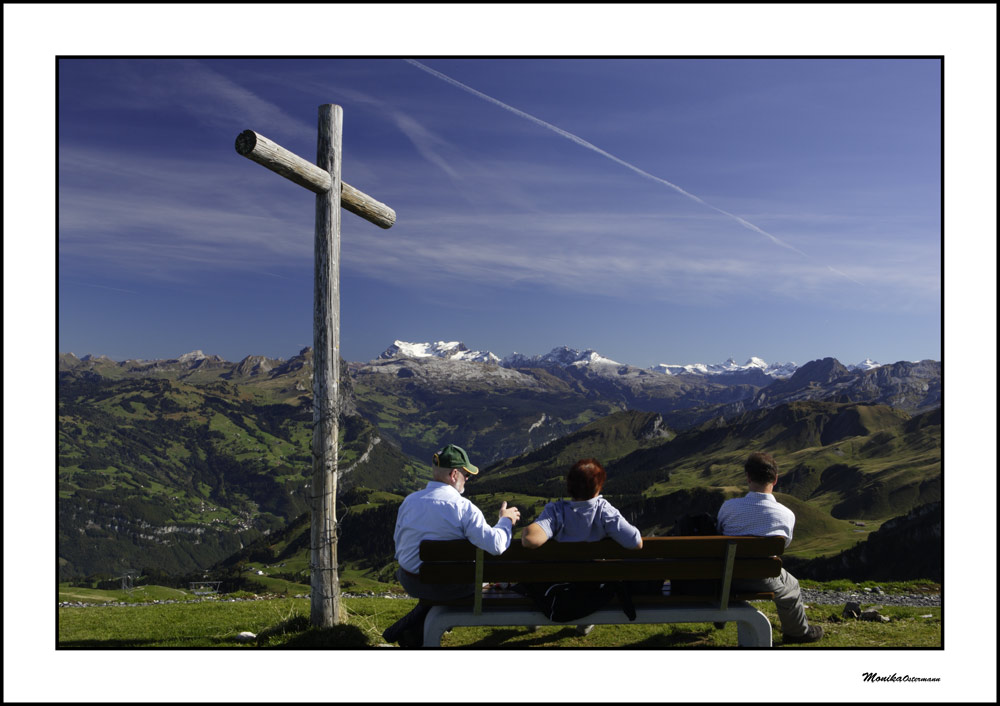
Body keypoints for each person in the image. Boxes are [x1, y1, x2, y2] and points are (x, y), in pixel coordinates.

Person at [382, 443, 521, 647]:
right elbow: (497, 546)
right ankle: (415, 628)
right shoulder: (463, 508)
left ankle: (414, 628)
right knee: (473, 580)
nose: (467, 480)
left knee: (442, 581)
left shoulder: (409, 502)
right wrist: (505, 520)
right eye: (467, 475)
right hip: (450, 586)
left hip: (411, 582)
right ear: (454, 474)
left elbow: (398, 542)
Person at [519, 458, 644, 634]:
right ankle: (585, 623)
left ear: (569, 487)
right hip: (591, 587)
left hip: (558, 584)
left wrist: (524, 527)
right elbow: (635, 542)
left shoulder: (556, 511)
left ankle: (536, 617)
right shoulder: (604, 511)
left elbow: (530, 540)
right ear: (598, 487)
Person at [716, 451, 824, 644]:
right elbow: (783, 545)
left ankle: (721, 617)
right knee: (791, 586)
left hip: (727, 577)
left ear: (748, 477)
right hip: (763, 579)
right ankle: (796, 632)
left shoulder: (728, 507)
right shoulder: (786, 515)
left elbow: (719, 533)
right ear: (775, 479)